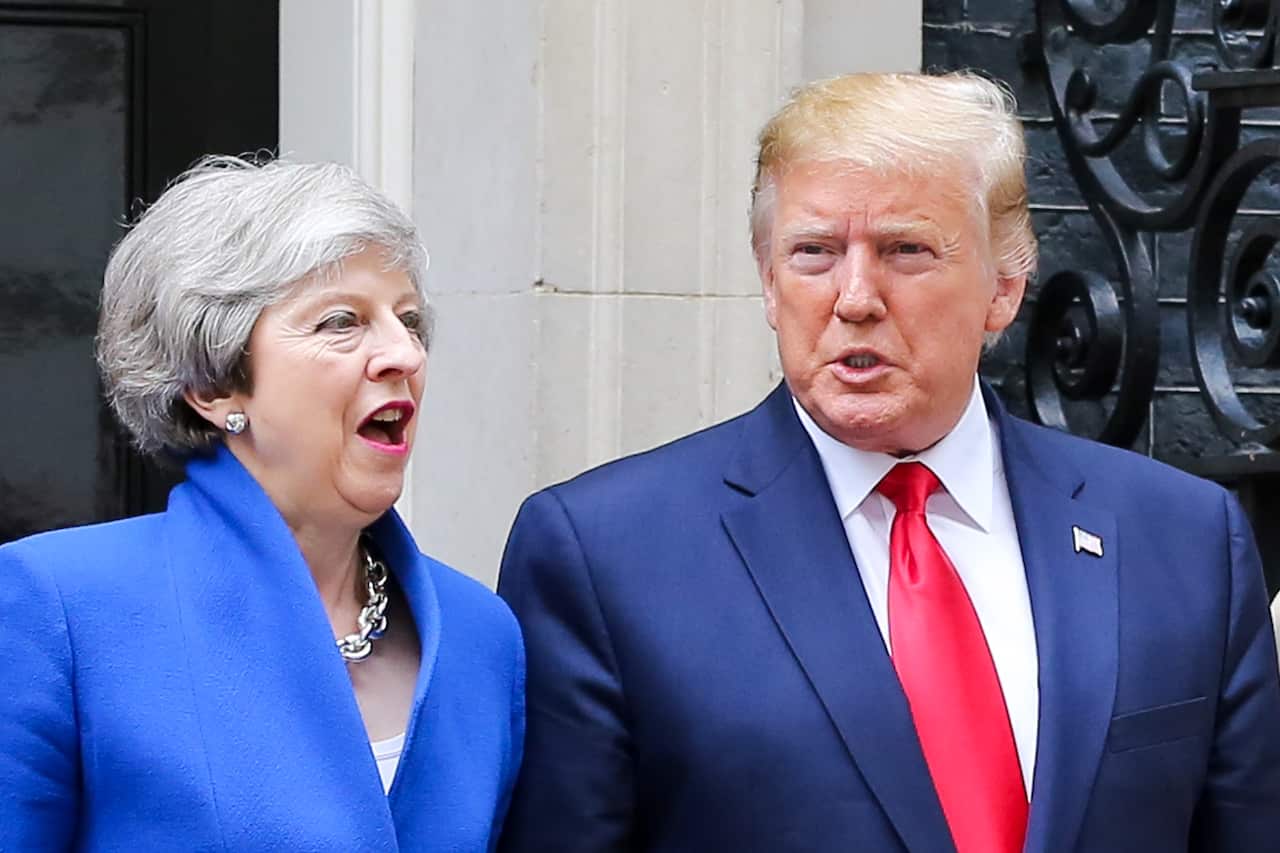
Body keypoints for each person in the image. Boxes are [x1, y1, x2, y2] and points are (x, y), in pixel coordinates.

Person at [496, 72, 1280, 852]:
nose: (856, 296)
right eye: (814, 253)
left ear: (1005, 287)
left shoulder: (1184, 539)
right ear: (769, 282)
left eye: (905, 250)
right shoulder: (606, 554)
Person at [0, 157, 524, 851]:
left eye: (410, 322)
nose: (403, 353)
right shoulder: (64, 606)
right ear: (215, 386)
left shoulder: (481, 633)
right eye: (342, 322)